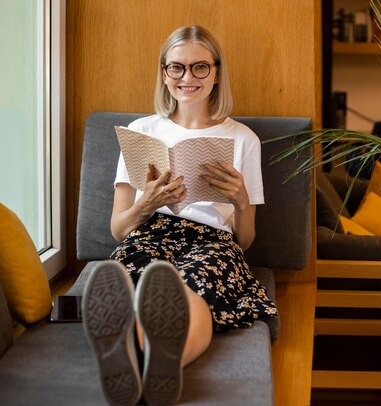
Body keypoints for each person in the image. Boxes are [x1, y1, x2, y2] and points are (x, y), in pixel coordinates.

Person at [81, 25, 277, 406]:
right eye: (177, 68)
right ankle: (144, 359)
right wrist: (146, 204)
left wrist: (240, 201)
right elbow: (118, 229)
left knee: (191, 289)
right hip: (150, 231)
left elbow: (245, 241)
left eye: (200, 67)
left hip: (212, 241)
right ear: (164, 73)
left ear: (217, 73)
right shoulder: (141, 132)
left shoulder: (243, 139)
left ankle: (155, 362)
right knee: (134, 276)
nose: (188, 78)